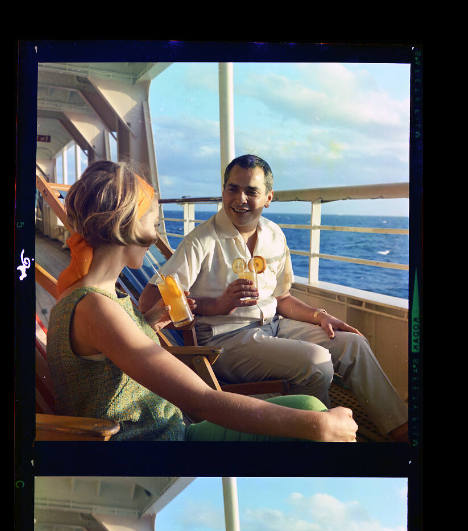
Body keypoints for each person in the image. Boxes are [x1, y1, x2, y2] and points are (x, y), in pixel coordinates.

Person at [46, 160, 358, 443]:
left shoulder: (98, 297)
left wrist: (148, 322)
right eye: (153, 225)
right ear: (125, 225)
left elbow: (113, 354)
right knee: (313, 421)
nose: (156, 237)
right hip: (159, 445)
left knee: (310, 405)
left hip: (168, 429)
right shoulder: (97, 308)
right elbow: (200, 400)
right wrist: (319, 427)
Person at [139, 154, 408, 442]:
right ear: (223, 191)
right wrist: (217, 305)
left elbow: (282, 298)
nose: (239, 198)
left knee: (353, 344)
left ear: (268, 198)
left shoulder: (274, 235)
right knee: (315, 362)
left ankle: (401, 433)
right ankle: (317, 440)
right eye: (232, 188)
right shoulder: (202, 241)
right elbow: (149, 301)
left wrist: (319, 316)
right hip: (225, 341)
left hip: (274, 326)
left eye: (251, 191)